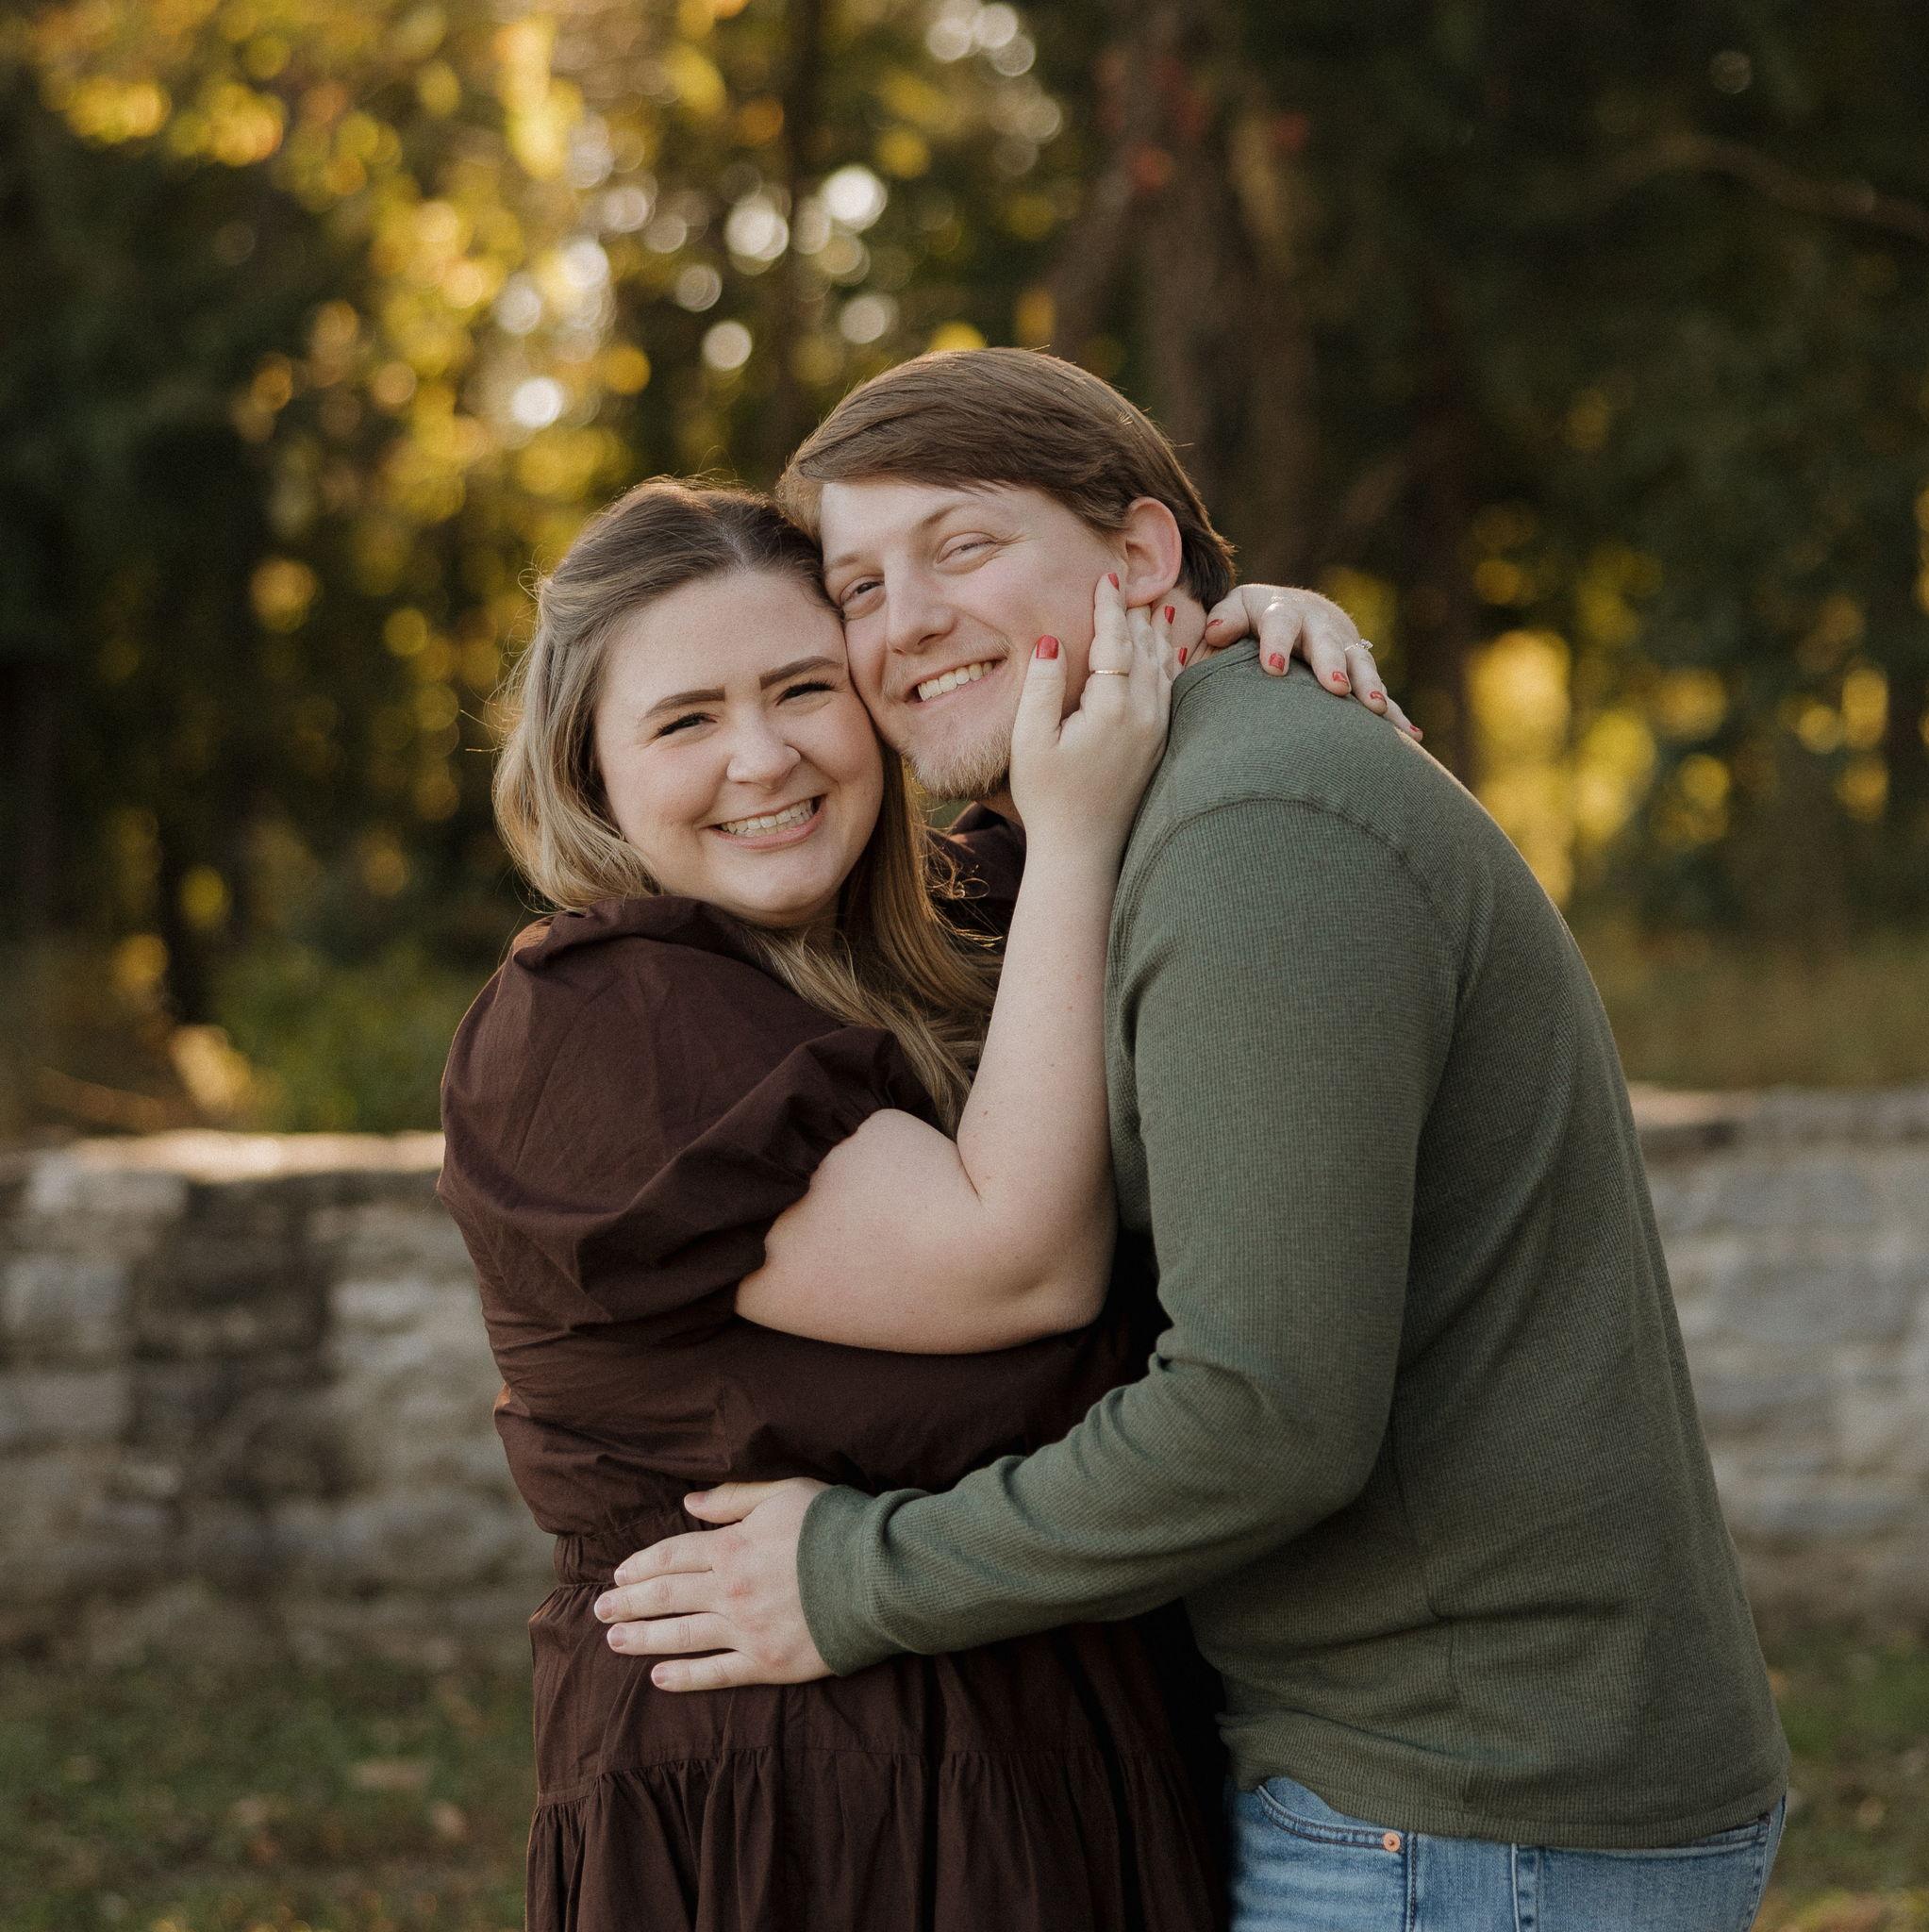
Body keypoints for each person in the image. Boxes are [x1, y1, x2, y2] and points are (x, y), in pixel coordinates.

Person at [595, 349, 1793, 1932]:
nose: (906, 625)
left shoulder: (1254, 831)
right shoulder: (1120, 816)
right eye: (859, 586)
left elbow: (1265, 1417)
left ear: (1145, 555)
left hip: (1469, 1814)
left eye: (962, 546)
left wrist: (853, 1576)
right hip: (1418, 1789)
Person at [437, 475, 1397, 1931]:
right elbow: (1017, 1268)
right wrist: (1076, 840)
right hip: (800, 1807)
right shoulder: (597, 1022)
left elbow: (1139, 772)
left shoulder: (965, 932)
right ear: (590, 773)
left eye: (804, 689)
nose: (762, 758)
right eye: (687, 720)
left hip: (1071, 1756)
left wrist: (1228, 663)